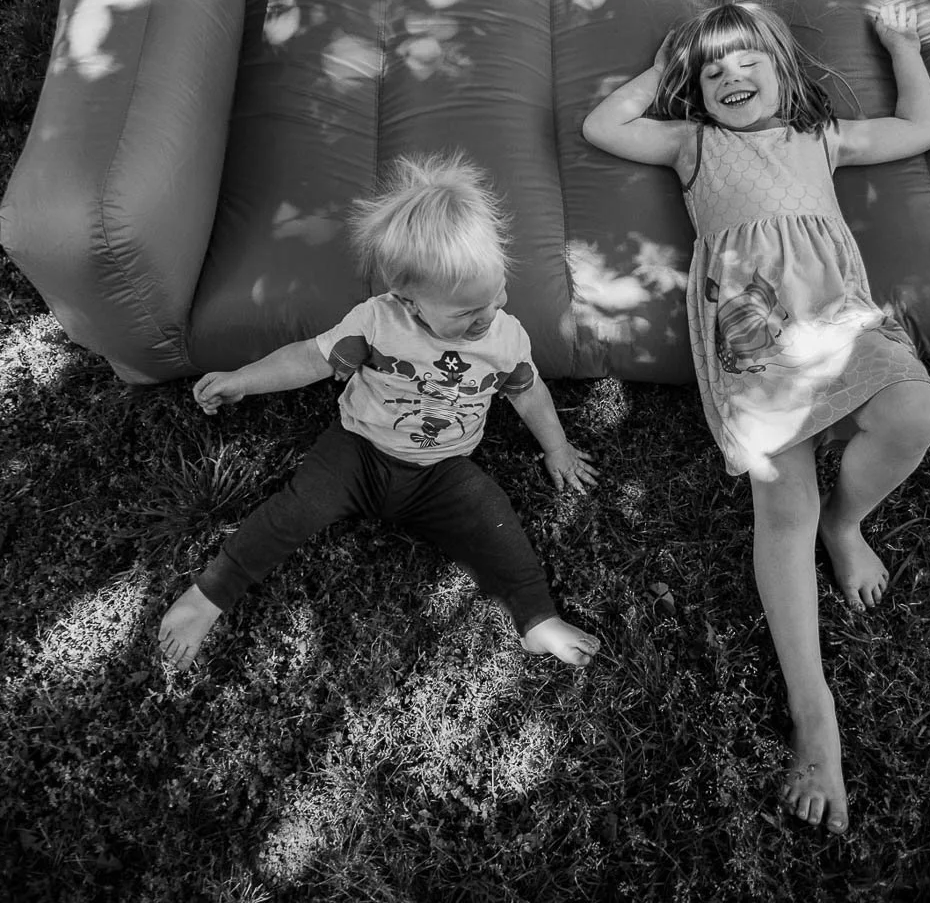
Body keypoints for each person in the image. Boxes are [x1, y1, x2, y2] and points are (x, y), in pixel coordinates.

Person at [581, 0, 930, 833]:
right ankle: (815, 717)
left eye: (748, 61)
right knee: (784, 501)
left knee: (915, 412)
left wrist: (901, 45)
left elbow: (918, 129)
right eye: (712, 70)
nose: (731, 76)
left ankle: (847, 525)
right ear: (695, 92)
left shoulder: (823, 137)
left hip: (841, 322)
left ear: (786, 72)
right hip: (753, 332)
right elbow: (606, 124)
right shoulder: (693, 143)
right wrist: (669, 63)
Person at [158, 150, 602, 672]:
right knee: (292, 511)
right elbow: (310, 358)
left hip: (442, 471)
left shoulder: (505, 339)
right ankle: (210, 595)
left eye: (496, 296)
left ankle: (537, 618)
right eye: (466, 312)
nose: (487, 317)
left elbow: (529, 393)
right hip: (358, 453)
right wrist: (242, 381)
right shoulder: (377, 323)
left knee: (496, 520)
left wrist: (558, 447)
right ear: (410, 302)